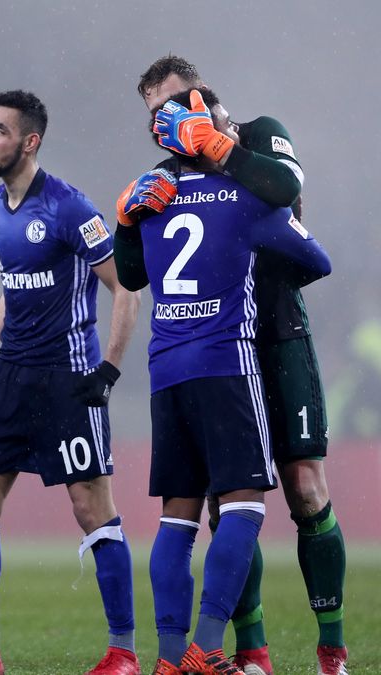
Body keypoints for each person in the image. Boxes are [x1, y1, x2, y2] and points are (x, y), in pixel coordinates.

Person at [116, 55, 349, 675]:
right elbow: (134, 274)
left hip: (277, 332)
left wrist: (222, 150)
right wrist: (129, 217)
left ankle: (332, 647)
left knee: (304, 487)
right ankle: (248, 653)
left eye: (174, 104)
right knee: (229, 501)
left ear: (204, 94)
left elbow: (287, 195)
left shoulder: (260, 134)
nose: (166, 122)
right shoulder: (170, 177)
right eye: (153, 117)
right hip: (222, 347)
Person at [0, 90, 141, 675]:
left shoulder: (71, 208)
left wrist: (108, 368)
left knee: (90, 508)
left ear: (30, 141)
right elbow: (16, 284)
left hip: (69, 377)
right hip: (13, 377)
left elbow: (125, 288)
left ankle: (123, 653)